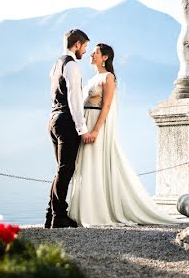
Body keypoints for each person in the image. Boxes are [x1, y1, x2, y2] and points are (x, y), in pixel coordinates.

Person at [67, 43, 181, 226]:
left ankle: (98, 212)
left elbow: (106, 106)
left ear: (104, 57)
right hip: (86, 123)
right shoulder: (92, 78)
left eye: (95, 52)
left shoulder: (108, 77)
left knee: (96, 163)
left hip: (97, 125)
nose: (91, 55)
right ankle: (85, 210)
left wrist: (95, 130)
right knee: (87, 166)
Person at [45, 28, 94, 228]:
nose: (84, 51)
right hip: (66, 121)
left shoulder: (57, 64)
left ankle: (51, 214)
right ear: (77, 45)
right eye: (84, 47)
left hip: (53, 120)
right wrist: (82, 130)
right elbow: (75, 100)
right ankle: (59, 217)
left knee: (61, 170)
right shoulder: (72, 66)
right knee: (66, 170)